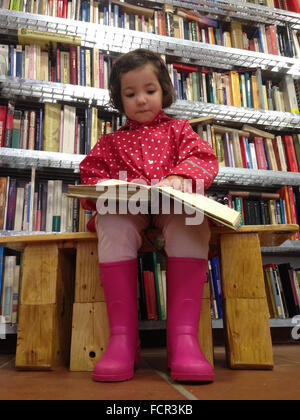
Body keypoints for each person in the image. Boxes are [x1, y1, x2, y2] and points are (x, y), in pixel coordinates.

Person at [79, 49, 219, 382]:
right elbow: (90, 176)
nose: (141, 100)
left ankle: (184, 340)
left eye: (150, 91)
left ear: (164, 91)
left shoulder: (181, 130)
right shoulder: (110, 142)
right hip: (129, 209)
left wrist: (182, 177)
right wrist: (107, 186)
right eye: (130, 94)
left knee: (192, 218)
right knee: (112, 219)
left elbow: (203, 158)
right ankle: (122, 341)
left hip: (174, 207)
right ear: (120, 98)